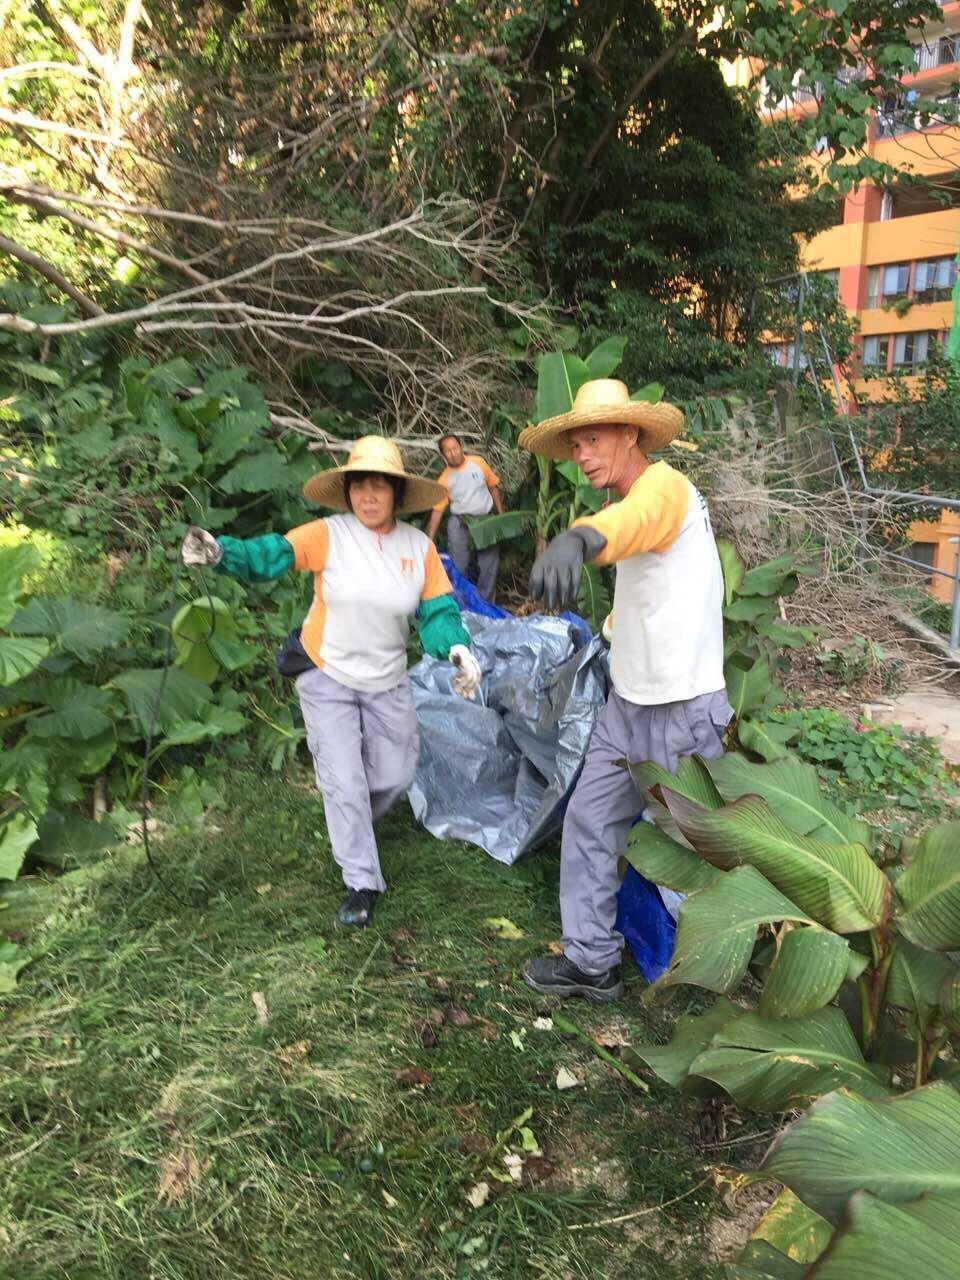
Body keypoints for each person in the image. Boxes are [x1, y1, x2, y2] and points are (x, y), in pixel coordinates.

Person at [181, 435, 483, 929]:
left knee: (394, 775)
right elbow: (273, 554)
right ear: (347, 492)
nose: (368, 496)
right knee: (343, 778)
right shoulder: (330, 534)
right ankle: (361, 880)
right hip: (327, 673)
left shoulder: (419, 548)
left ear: (397, 494)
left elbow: (437, 612)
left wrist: (456, 647)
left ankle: (353, 816)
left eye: (379, 487)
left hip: (387, 678)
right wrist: (220, 552)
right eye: (359, 486)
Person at [516, 379, 732, 1003]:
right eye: (576, 444)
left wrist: (578, 538)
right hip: (627, 705)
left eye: (593, 439)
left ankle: (710, 967)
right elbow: (647, 587)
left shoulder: (662, 489)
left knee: (694, 849)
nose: (583, 455)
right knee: (589, 820)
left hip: (683, 711)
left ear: (630, 434)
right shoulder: (634, 501)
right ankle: (591, 961)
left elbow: (632, 525)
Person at [426, 433, 504, 603]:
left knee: (488, 563)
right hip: (460, 522)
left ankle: (486, 603)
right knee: (459, 564)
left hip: (485, 519)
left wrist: (501, 515)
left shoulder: (478, 463)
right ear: (443, 455)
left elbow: (494, 487)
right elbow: (438, 510)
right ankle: (460, 603)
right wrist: (430, 539)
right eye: (448, 451)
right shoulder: (444, 479)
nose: (453, 453)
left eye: (455, 448)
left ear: (461, 447)